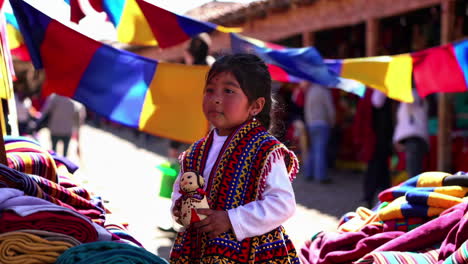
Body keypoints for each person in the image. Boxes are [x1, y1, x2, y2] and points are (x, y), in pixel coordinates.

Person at [169, 54, 299, 263]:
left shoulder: (264, 150)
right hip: (199, 249)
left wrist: (231, 219)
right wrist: (181, 209)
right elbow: (179, 191)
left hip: (252, 252)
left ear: (255, 106)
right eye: (210, 90)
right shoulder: (195, 152)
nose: (216, 98)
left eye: (228, 91)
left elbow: (283, 204)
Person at [362, 90, 394, 208]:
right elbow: (377, 102)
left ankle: (384, 197)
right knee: (375, 169)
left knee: (382, 170)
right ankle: (371, 197)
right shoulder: (375, 92)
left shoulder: (370, 92)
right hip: (378, 140)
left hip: (381, 139)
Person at [303, 81, 335, 183]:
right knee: (320, 150)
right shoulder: (324, 91)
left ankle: (309, 173)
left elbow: (306, 109)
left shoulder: (310, 91)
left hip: (311, 123)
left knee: (313, 149)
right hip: (322, 123)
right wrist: (332, 121)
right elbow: (330, 108)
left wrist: (308, 122)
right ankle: (321, 176)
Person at [393, 89, 429, 178]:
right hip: (418, 138)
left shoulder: (412, 95)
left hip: (412, 139)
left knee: (413, 173)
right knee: (415, 171)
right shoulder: (422, 99)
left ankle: (413, 191)